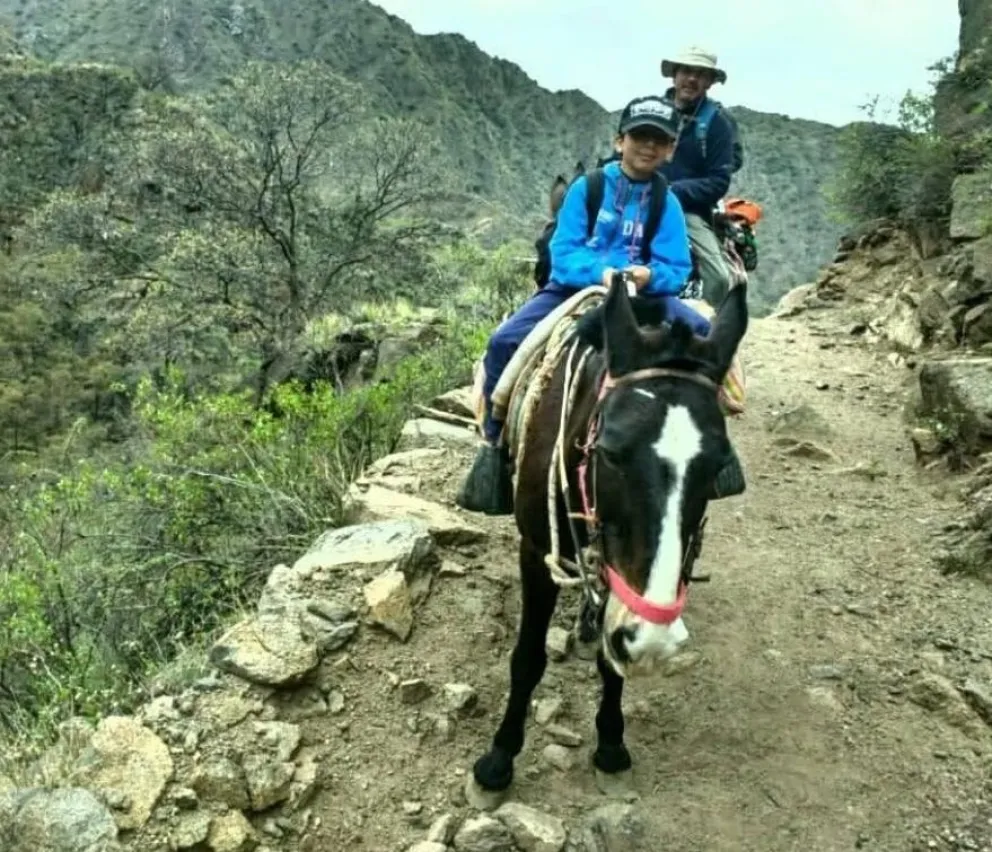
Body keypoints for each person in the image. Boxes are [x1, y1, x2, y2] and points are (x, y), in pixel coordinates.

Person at [456, 95, 715, 516]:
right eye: (640, 136)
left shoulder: (666, 202)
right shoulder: (589, 188)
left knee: (705, 336)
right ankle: (495, 443)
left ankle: (705, 444)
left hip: (645, 295)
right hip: (575, 288)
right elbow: (564, 252)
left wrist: (648, 275)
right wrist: (602, 273)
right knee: (504, 341)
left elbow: (676, 266)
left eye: (659, 140)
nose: (648, 146)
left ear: (670, 150)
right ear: (620, 141)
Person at [659, 46, 737, 307]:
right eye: (686, 71)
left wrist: (673, 192)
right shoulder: (652, 111)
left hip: (686, 211)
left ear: (710, 82)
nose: (692, 79)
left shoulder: (717, 123)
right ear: (674, 74)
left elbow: (719, 181)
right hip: (637, 200)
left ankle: (706, 327)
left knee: (718, 278)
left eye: (701, 74)